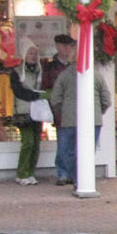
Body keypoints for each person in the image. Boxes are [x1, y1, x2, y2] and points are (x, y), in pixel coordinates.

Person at [49, 62, 113, 188]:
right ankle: (82, 178)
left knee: (67, 150)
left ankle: (67, 175)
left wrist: (62, 112)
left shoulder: (64, 75)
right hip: (93, 120)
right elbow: (107, 100)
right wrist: (98, 112)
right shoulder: (97, 76)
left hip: (69, 119)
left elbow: (55, 99)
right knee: (87, 151)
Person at [43, 34, 77, 185]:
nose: (67, 49)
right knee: (63, 145)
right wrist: (54, 106)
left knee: (74, 146)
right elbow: (46, 88)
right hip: (60, 112)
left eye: (69, 46)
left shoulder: (76, 66)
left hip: (75, 111)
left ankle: (73, 174)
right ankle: (63, 173)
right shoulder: (51, 67)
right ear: (57, 46)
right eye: (64, 46)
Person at [8, 39, 43, 185]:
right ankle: (21, 173)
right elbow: (19, 91)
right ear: (24, 54)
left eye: (35, 53)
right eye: (30, 53)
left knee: (36, 143)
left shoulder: (41, 71)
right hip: (22, 111)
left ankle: (30, 172)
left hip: (38, 111)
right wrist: (38, 95)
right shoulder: (16, 72)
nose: (33, 56)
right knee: (28, 142)